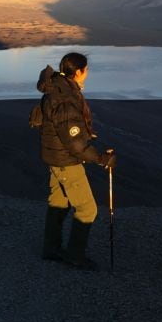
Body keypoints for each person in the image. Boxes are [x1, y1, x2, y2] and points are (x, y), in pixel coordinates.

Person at [36, 52, 116, 270]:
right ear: (79, 71)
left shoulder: (58, 89)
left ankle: (51, 249)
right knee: (87, 209)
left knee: (59, 204)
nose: (87, 74)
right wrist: (101, 159)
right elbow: (75, 142)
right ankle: (75, 255)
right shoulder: (65, 98)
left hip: (54, 157)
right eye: (86, 70)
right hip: (65, 160)